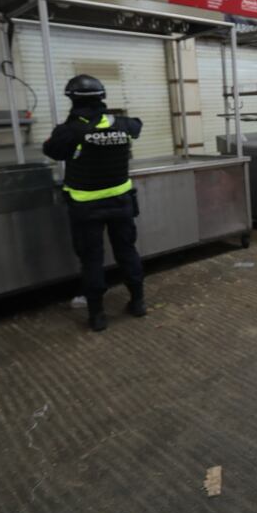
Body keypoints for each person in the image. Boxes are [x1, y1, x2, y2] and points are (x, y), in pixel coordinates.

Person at [42, 74, 146, 332]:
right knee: (127, 252)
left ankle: (98, 315)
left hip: (86, 208)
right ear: (102, 97)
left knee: (92, 260)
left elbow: (52, 150)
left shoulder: (68, 131)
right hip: (121, 203)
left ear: (72, 99)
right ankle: (138, 302)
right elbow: (138, 124)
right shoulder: (123, 124)